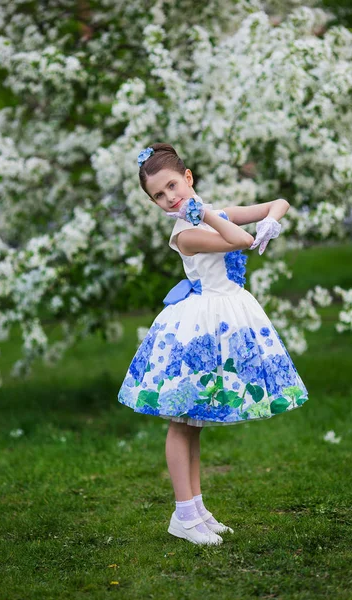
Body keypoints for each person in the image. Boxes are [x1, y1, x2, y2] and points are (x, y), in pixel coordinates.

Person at [117, 142, 309, 546]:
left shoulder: (214, 213)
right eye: (159, 196)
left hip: (224, 317)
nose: (170, 198)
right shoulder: (186, 233)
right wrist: (203, 212)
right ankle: (183, 514)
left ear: (187, 178)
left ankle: (196, 509)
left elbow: (280, 202)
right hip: (198, 326)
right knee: (180, 420)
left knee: (194, 422)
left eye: (172, 186)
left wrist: (271, 220)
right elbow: (239, 239)